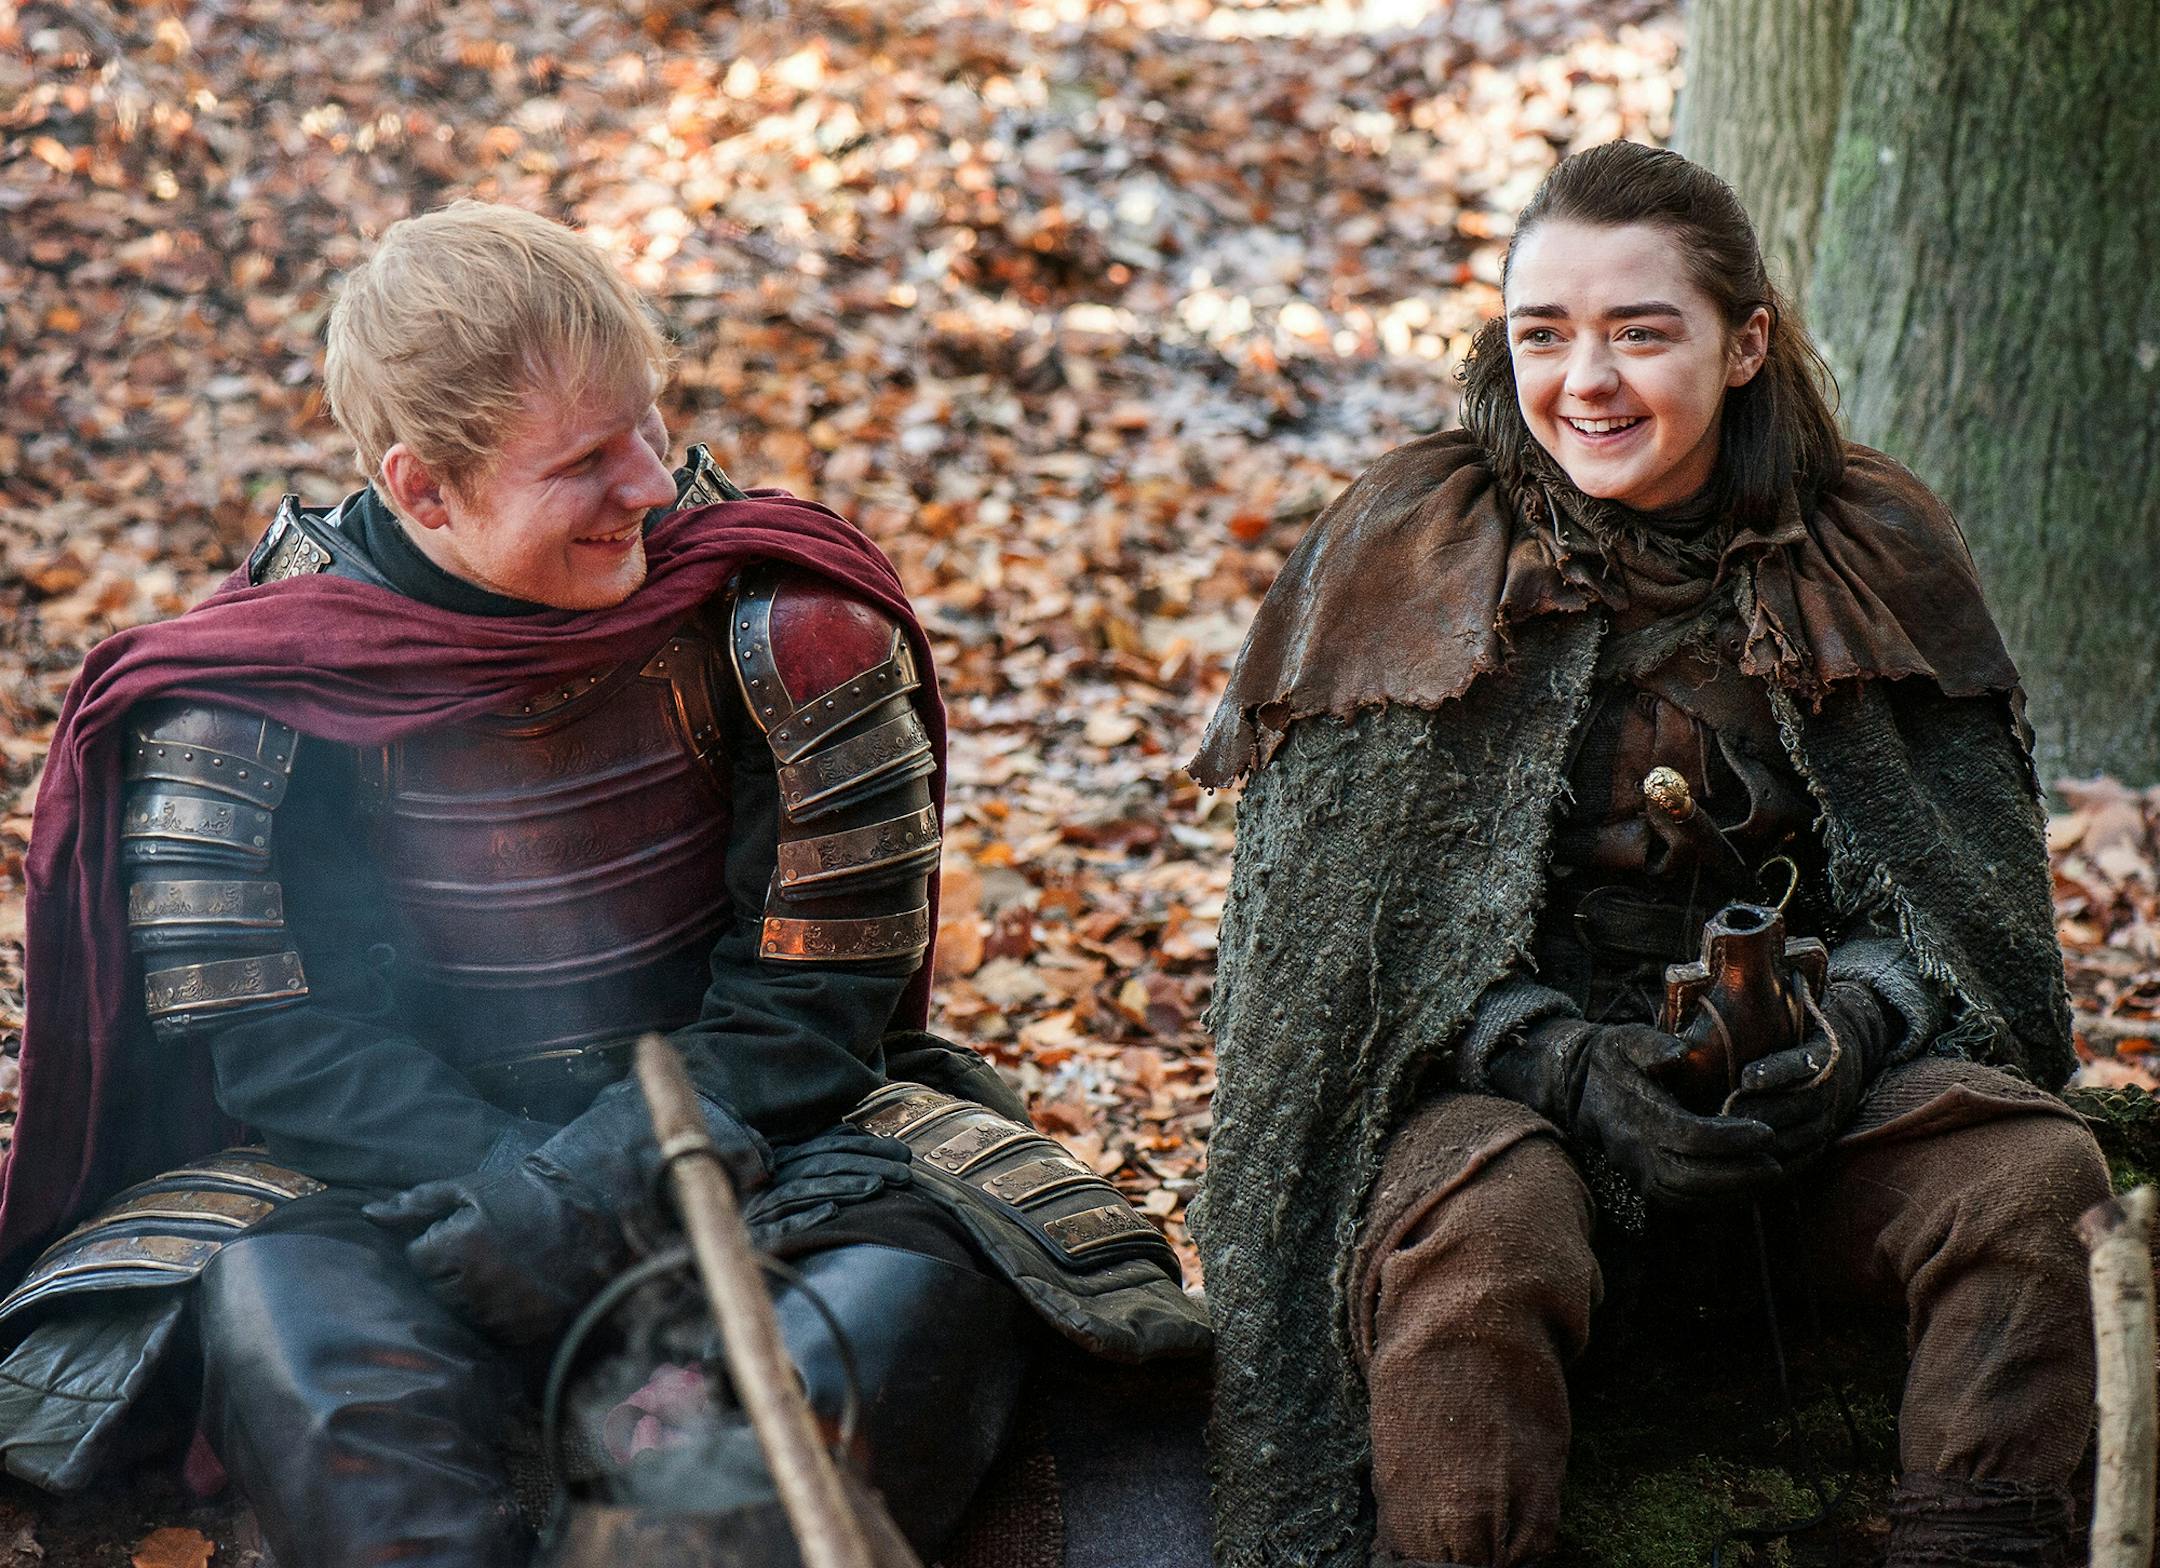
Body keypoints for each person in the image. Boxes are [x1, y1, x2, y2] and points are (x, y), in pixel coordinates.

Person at [0, 202, 1206, 1567]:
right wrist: (502, 1189)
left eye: (647, 423)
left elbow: (820, 998)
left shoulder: (784, 628)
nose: (648, 483)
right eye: (583, 460)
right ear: (424, 488)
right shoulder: (249, 701)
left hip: (778, 1145)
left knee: (860, 1351)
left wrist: (601, 1181)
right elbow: (276, 1044)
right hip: (401, 1184)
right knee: (319, 1373)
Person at [1189, 141, 2105, 1568]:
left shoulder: (1871, 548)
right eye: (1543, 333)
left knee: (2036, 1186)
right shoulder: (1410, 556)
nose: (1587, 380)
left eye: (1639, 331)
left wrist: (1851, 1035)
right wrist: (1566, 1068)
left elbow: (1961, 909)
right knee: (1487, 1250)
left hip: (1817, 1119)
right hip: (1503, 1114)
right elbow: (1340, 975)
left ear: (1744, 345)